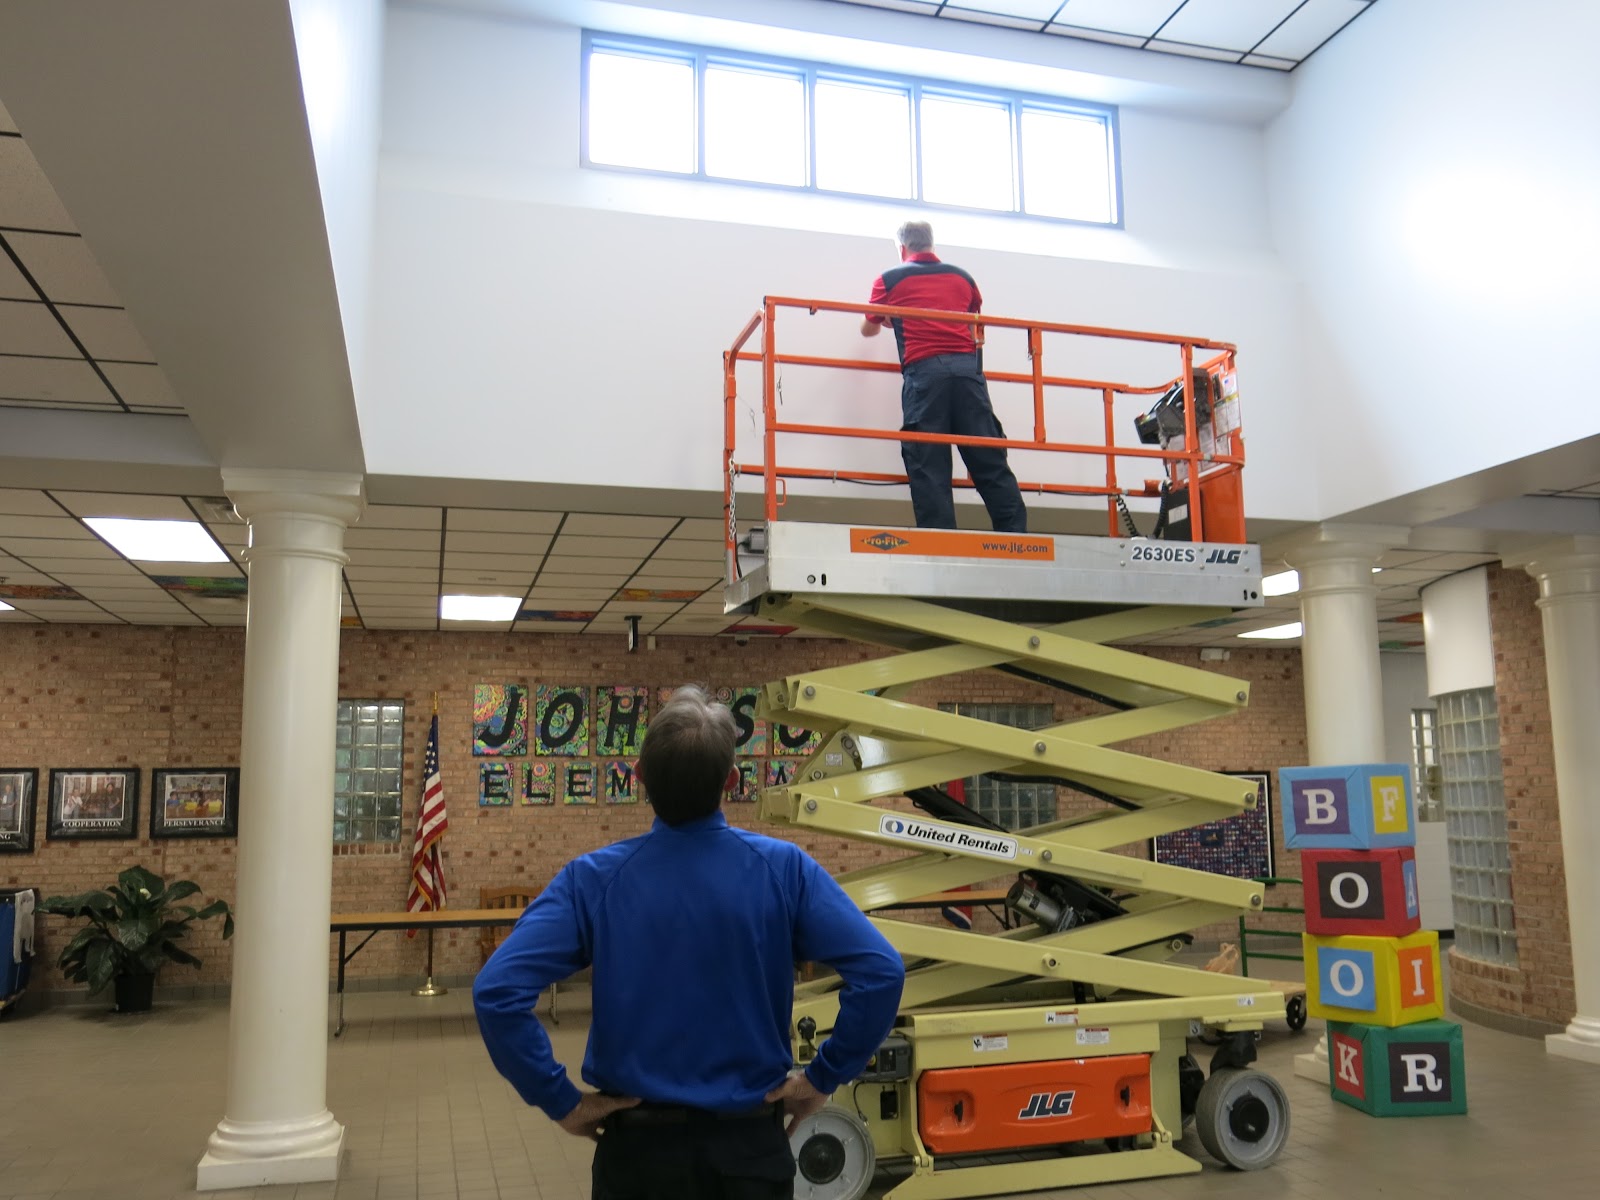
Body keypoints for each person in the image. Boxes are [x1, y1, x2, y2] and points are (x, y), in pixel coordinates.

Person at [474, 685, 905, 1200]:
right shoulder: (784, 870)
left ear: (639, 777)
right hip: (750, 1154)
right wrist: (823, 1077)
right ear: (731, 781)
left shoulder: (592, 880)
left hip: (637, 1159)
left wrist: (561, 1100)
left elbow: (497, 992)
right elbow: (881, 972)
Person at [863, 220, 1029, 533]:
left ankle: (940, 544)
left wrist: (892, 317)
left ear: (902, 248)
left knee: (929, 463)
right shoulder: (963, 278)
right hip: (968, 373)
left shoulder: (889, 279)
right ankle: (1016, 538)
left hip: (925, 375)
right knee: (988, 458)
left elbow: (868, 329)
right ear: (932, 244)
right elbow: (971, 323)